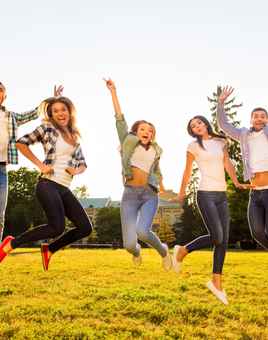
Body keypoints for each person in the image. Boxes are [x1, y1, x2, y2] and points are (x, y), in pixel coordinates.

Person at [0, 93, 92, 270]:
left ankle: (50, 249)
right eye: (55, 111)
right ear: (51, 115)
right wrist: (40, 165)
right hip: (48, 184)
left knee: (85, 227)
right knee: (56, 227)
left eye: (63, 109)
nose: (60, 113)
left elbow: (83, 164)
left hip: (64, 187)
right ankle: (11, 243)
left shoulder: (74, 136)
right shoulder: (47, 129)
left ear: (69, 111)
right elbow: (21, 143)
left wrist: (77, 170)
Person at [173, 115, 250, 304]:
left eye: (198, 122)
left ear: (205, 123)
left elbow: (227, 163)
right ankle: (183, 250)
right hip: (205, 193)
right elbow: (187, 170)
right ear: (192, 131)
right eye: (193, 126)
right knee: (216, 236)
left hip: (221, 195)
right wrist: (181, 192)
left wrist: (236, 181)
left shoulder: (220, 141)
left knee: (223, 240)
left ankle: (216, 282)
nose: (197, 126)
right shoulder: (193, 147)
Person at [104, 78, 172, 270]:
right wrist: (113, 92)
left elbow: (157, 171)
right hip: (130, 195)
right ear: (136, 131)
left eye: (150, 131)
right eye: (142, 129)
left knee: (143, 232)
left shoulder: (156, 150)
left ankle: (164, 252)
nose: (147, 132)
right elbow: (119, 119)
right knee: (128, 244)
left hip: (149, 193)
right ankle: (137, 252)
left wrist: (164, 188)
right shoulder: (128, 141)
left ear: (153, 135)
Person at [0, 82, 60, 240]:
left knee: (0, 214)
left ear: (4, 96)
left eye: (1, 91)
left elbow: (34, 114)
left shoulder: (11, 117)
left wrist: (54, 100)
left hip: (2, 170)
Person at [217, 86, 268, 250]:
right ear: (251, 119)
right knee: (257, 232)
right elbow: (224, 125)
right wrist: (221, 103)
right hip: (255, 192)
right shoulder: (244, 135)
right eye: (256, 116)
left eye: (263, 116)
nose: (259, 119)